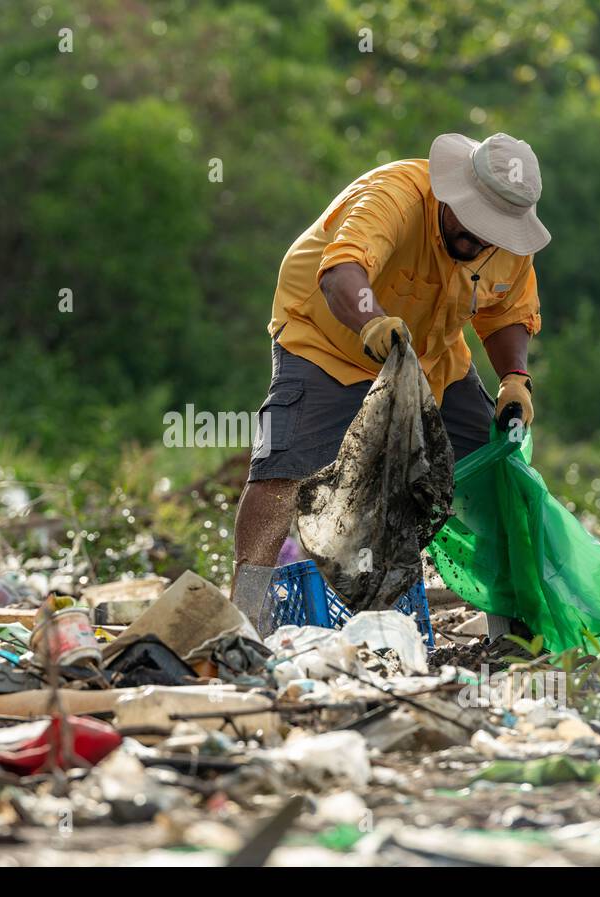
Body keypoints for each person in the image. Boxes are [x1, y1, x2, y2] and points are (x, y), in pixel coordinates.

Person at [231, 132, 551, 628]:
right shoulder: (393, 197)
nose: (480, 239)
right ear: (452, 192)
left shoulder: (504, 240)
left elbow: (506, 310)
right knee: (284, 470)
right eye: (473, 223)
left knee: (492, 473)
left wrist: (515, 378)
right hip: (328, 340)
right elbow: (342, 272)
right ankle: (245, 615)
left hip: (430, 355)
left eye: (492, 231)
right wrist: (373, 322)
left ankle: (510, 628)